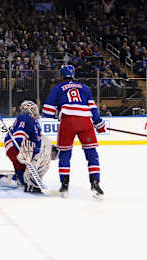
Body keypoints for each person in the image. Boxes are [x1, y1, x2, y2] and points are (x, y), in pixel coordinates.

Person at [42, 65, 106, 199]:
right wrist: (99, 124)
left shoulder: (58, 88)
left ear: (61, 75)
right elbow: (93, 109)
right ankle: (95, 184)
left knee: (65, 153)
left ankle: (64, 185)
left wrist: (57, 114)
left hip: (68, 122)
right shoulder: (85, 88)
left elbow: (47, 111)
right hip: (85, 121)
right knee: (91, 153)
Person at [0, 100, 51, 192]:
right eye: (33, 109)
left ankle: (22, 179)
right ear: (28, 110)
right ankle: (31, 181)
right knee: (45, 142)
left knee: (21, 169)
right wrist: (23, 151)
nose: (36, 112)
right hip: (17, 148)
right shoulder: (25, 118)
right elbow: (19, 136)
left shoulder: (32, 121)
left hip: (15, 149)